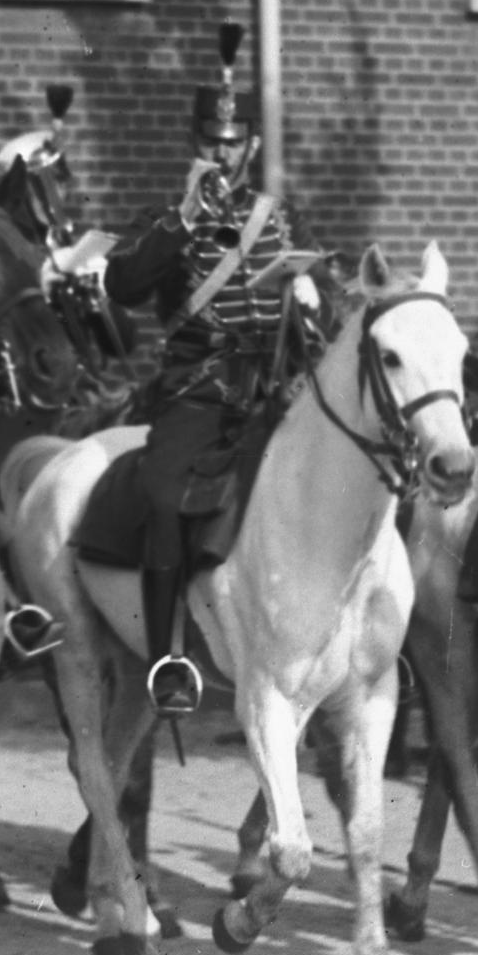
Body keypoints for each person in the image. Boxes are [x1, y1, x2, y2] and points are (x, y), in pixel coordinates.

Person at [104, 41, 308, 718]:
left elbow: (314, 300)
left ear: (252, 146)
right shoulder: (163, 219)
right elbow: (123, 284)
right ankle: (168, 656)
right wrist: (185, 218)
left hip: (276, 388)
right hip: (202, 390)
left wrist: (312, 304)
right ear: (194, 144)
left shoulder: (280, 218)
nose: (223, 155)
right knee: (165, 498)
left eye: (234, 143)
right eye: (211, 142)